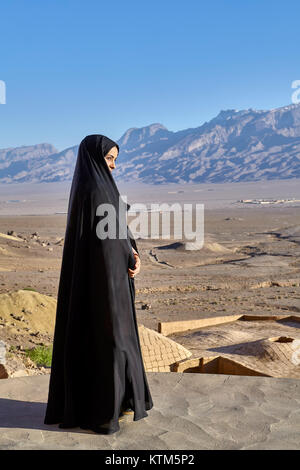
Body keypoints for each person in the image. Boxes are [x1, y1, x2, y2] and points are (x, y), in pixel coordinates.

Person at [44, 134, 154, 435]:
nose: (114, 166)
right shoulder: (93, 189)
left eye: (115, 159)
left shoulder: (101, 187)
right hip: (103, 283)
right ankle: (104, 413)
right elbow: (104, 243)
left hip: (113, 279)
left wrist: (133, 253)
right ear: (94, 158)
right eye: (109, 159)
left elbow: (119, 231)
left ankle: (117, 404)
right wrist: (124, 256)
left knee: (118, 341)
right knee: (112, 342)